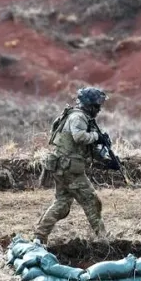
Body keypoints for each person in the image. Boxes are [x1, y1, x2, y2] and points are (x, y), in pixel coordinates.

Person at [34, 87, 111, 245]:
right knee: (91, 200)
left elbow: (84, 147)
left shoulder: (80, 116)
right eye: (97, 105)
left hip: (62, 165)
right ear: (89, 104)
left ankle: (39, 237)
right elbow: (79, 137)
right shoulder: (78, 117)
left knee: (62, 204)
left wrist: (106, 160)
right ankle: (103, 240)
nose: (99, 108)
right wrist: (97, 137)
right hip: (68, 167)